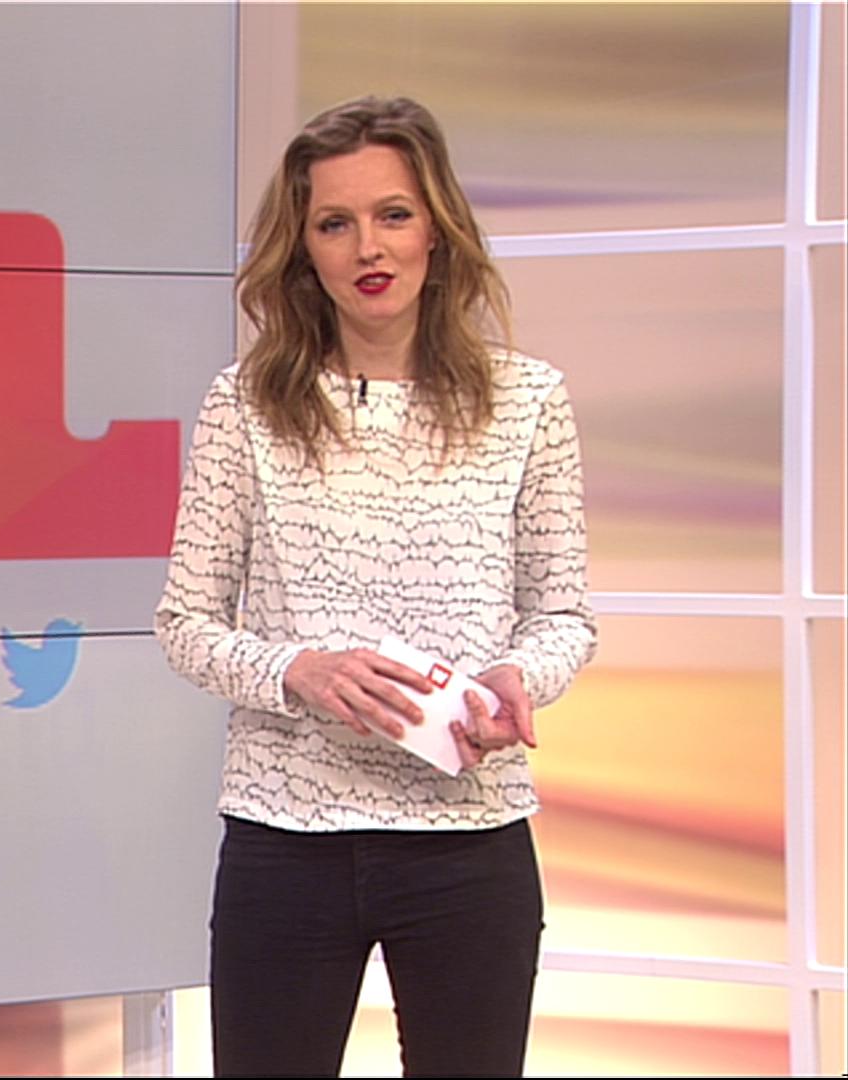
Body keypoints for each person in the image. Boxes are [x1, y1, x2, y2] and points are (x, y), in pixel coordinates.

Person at [154, 95, 596, 1077]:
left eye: (393, 214)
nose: (368, 247)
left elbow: (562, 613)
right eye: (334, 222)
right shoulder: (244, 406)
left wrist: (520, 678)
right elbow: (185, 623)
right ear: (302, 248)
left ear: (437, 227)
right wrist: (298, 671)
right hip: (287, 839)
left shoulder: (529, 402)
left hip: (468, 839)